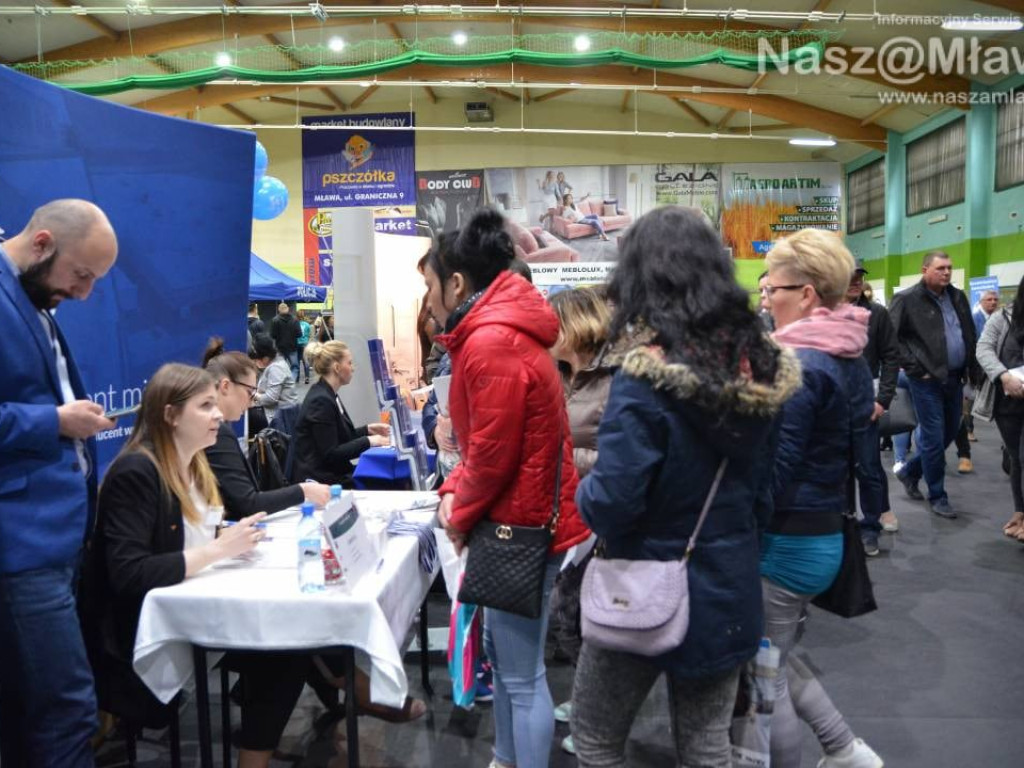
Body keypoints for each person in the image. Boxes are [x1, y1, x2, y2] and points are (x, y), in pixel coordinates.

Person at [570, 207, 799, 768]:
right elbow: (768, 495)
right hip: (727, 588)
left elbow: (613, 504)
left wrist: (581, 490)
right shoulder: (762, 371)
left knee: (596, 739)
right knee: (707, 747)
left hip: (639, 587)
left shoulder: (642, 378)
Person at [83, 363, 308, 768]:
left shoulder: (193, 467)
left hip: (191, 615)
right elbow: (130, 573)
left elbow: (191, 540)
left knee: (292, 640)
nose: (218, 415)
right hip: (140, 636)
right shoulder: (137, 471)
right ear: (170, 415)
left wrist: (228, 541)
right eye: (205, 406)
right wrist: (219, 551)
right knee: (285, 650)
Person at [427, 208, 589, 768]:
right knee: (506, 660)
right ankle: (505, 757)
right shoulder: (496, 335)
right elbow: (485, 447)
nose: (426, 301)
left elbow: (491, 456)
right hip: (516, 521)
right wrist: (457, 488)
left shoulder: (491, 341)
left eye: (429, 286)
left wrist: (457, 510)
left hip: (515, 527)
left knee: (521, 675)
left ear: (455, 282)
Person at [0, 199, 118, 767]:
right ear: (42, 243)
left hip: (57, 539)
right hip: (22, 545)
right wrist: (53, 421)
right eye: (81, 275)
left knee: (37, 713)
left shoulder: (33, 299)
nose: (84, 293)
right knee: (68, 711)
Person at [763, 228, 883, 768]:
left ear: (807, 293)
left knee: (764, 675)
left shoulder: (801, 364)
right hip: (820, 531)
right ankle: (844, 750)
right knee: (777, 661)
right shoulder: (846, 353)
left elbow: (777, 468)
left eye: (774, 289)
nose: (767, 299)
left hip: (786, 537)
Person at [546, 286, 613, 756]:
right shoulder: (562, 374)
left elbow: (621, 455)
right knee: (570, 614)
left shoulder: (613, 378)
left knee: (584, 616)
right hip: (571, 512)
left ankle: (599, 713)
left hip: (603, 518)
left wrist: (564, 456)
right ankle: (590, 700)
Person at [889, 251, 978, 519]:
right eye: (940, 268)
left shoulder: (958, 296)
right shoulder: (905, 299)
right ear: (925, 269)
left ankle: (909, 472)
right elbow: (892, 340)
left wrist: (972, 369)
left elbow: (968, 333)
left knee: (949, 431)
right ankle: (938, 495)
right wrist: (917, 369)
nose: (947, 272)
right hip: (926, 380)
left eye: (950, 268)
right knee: (933, 436)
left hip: (955, 378)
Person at [201, 337, 330, 520]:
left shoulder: (219, 429)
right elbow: (248, 503)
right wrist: (303, 490)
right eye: (249, 392)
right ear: (225, 386)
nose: (253, 400)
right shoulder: (217, 431)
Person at [847, 260, 900, 555]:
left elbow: (892, 357)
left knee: (868, 468)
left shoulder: (877, 314)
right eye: (850, 276)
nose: (856, 281)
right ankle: (841, 526)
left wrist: (883, 400)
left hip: (867, 404)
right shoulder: (822, 310)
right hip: (831, 407)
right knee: (836, 471)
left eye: (859, 277)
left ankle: (870, 528)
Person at [291, 340, 390, 486]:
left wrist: (367, 430)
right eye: (349, 363)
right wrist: (370, 441)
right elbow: (331, 454)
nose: (353, 368)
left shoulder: (327, 394)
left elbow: (338, 438)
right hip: (321, 479)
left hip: (331, 472)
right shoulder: (321, 401)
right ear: (337, 368)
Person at [974, 276, 1024, 541]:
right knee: (1016, 459)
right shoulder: (1002, 317)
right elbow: (983, 349)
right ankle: (1019, 512)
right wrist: (1004, 376)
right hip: (1007, 402)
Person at [251, 333, 300, 425]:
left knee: (248, 416)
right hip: (277, 413)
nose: (256, 359)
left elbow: (270, 398)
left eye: (257, 356)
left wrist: (254, 395)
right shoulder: (275, 363)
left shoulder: (276, 368)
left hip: (279, 417)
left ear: (265, 357)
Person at [269, 301, 302, 380]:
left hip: (280, 347)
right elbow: (299, 334)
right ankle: (291, 383)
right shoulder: (295, 320)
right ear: (288, 309)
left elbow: (272, 335)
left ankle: (282, 383)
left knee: (280, 367)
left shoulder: (275, 320)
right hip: (292, 347)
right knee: (294, 367)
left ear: (279, 310)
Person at [297, 311, 312, 385]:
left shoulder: (295, 324)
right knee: (305, 361)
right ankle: (307, 378)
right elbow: (309, 335)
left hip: (296, 344)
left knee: (297, 362)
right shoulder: (307, 324)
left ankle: (297, 378)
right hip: (305, 344)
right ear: (303, 316)